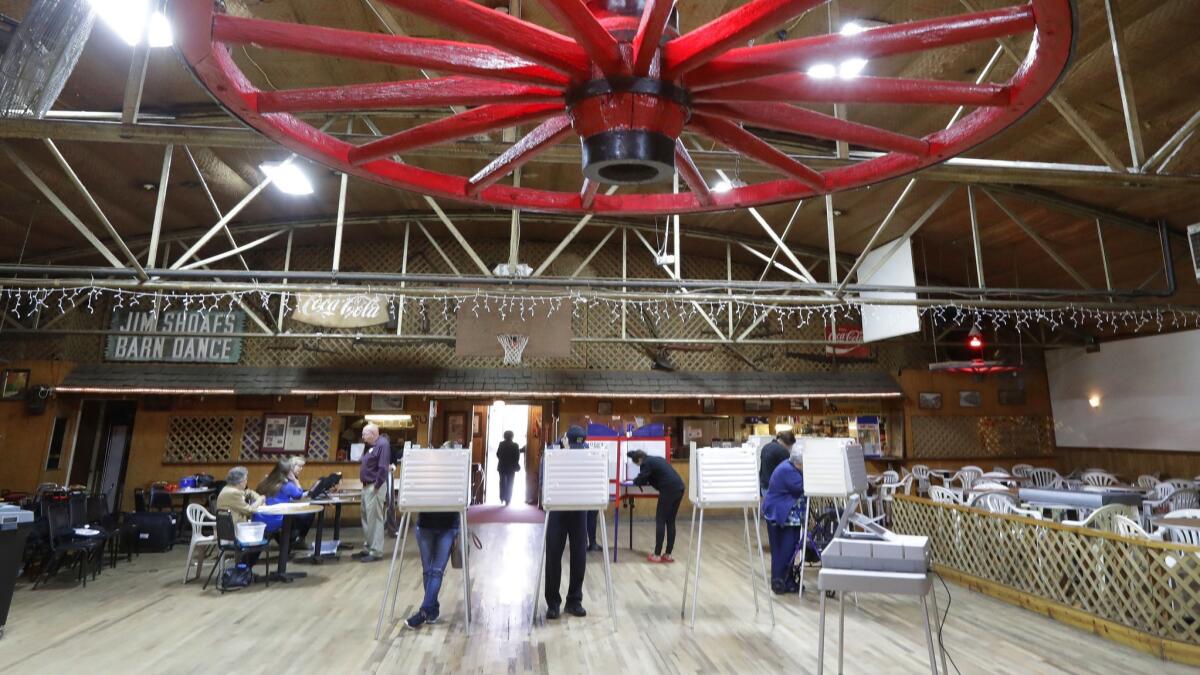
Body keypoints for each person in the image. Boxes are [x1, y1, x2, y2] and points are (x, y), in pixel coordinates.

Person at [543, 425, 589, 619]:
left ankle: (574, 600)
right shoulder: (554, 452)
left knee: (579, 555)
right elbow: (545, 479)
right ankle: (553, 603)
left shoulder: (586, 451)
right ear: (566, 440)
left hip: (579, 509)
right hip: (558, 509)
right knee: (554, 555)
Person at [405, 508, 461, 629]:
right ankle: (433, 610)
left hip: (449, 526)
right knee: (427, 571)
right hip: (425, 524)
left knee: (436, 572)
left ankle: (424, 612)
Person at [762, 444, 806, 594]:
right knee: (785, 549)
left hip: (786, 513)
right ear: (798, 462)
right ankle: (780, 581)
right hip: (781, 513)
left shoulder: (788, 466)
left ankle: (786, 580)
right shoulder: (788, 470)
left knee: (788, 548)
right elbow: (802, 487)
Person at [628, 450, 685, 563]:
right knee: (670, 521)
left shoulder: (646, 463)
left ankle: (657, 555)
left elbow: (641, 478)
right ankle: (668, 554)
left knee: (660, 520)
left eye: (637, 464)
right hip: (679, 488)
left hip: (668, 490)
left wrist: (635, 480)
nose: (639, 466)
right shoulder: (655, 459)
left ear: (639, 460)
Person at [254, 457, 313, 549]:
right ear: (288, 472)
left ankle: (289, 542)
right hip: (275, 519)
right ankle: (293, 541)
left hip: (259, 517)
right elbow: (299, 495)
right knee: (305, 516)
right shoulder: (287, 485)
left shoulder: (265, 481)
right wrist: (295, 480)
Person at [356, 423, 392, 563]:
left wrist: (377, 485)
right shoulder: (372, 446)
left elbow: (383, 467)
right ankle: (368, 547)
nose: (363, 437)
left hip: (374, 487)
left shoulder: (382, 444)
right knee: (366, 518)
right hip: (367, 486)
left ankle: (376, 551)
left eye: (364, 434)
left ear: (373, 434)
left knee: (375, 519)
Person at [215, 466, 265, 566]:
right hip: (233, 534)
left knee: (261, 536)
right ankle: (244, 569)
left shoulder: (229, 489)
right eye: (246, 479)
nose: (247, 482)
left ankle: (244, 570)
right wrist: (260, 500)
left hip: (229, 530)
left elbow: (248, 492)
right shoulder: (233, 493)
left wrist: (257, 497)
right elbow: (249, 511)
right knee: (263, 538)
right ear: (240, 481)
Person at [496, 431, 521, 506]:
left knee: (502, 482)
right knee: (510, 483)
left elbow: (498, 454)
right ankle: (508, 499)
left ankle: (502, 497)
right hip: (511, 467)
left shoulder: (501, 444)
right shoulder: (515, 445)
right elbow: (517, 457)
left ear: (504, 436)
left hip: (502, 466)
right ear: (512, 436)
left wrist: (502, 459)